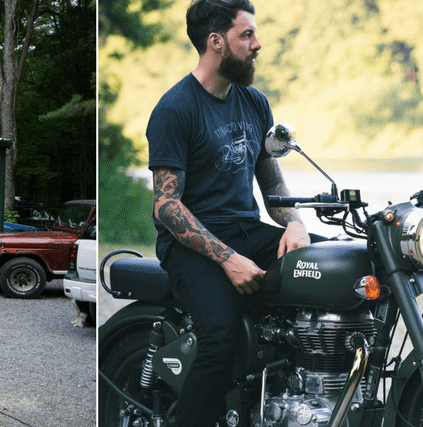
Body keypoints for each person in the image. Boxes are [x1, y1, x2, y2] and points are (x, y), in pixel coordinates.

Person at [145, 0, 320, 425]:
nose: (257, 44)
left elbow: (272, 183)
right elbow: (166, 205)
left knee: (331, 270)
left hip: (246, 229)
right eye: (247, 35)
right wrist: (227, 258)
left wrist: (296, 223)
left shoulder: (254, 103)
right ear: (215, 42)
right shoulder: (175, 109)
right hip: (191, 245)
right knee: (219, 341)